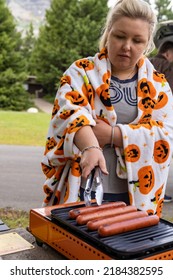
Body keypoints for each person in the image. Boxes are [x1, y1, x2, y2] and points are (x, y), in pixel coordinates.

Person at [41, 0, 173, 217]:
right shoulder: (81, 72)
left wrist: (112, 135)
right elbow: (70, 112)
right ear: (108, 33)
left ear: (147, 43)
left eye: (137, 40)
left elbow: (166, 135)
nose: (127, 46)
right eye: (120, 36)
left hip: (134, 197)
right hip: (82, 187)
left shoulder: (158, 86)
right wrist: (91, 147)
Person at [150, 23, 173, 203]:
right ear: (169, 51)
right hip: (162, 121)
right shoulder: (167, 67)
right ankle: (159, 193)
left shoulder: (146, 64)